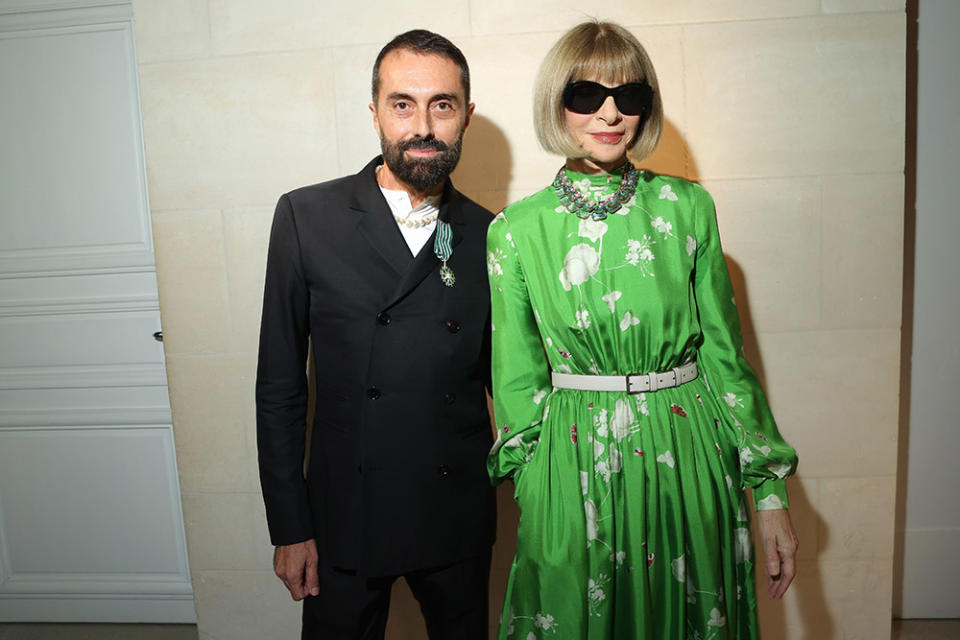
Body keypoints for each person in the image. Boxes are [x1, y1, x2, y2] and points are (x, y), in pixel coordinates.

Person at [486, 21, 799, 638]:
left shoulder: (688, 208)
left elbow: (725, 358)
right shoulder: (516, 231)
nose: (609, 113)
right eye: (586, 95)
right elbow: (517, 380)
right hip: (569, 463)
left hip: (687, 453)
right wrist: (536, 488)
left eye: (630, 96)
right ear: (557, 103)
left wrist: (768, 493)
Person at [256, 29, 494, 640]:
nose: (422, 125)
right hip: (343, 516)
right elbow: (280, 386)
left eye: (442, 105)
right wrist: (289, 525)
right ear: (375, 114)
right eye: (402, 104)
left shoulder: (495, 234)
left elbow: (514, 386)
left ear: (466, 116)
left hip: (455, 514)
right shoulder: (307, 218)